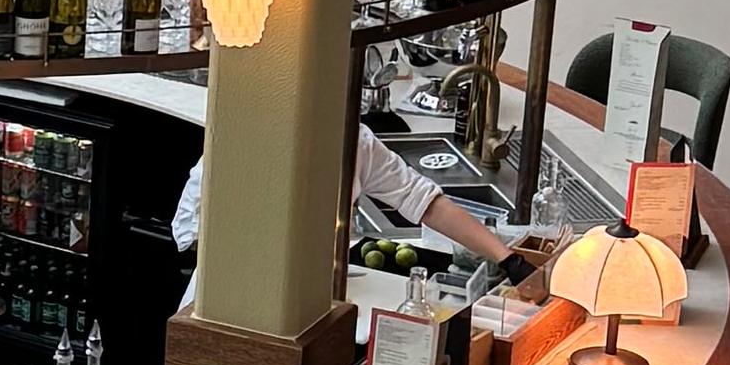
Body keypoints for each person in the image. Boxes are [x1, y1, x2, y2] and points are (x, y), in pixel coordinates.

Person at [170, 123, 506, 274]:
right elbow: (188, 229)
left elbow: (424, 201)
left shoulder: (351, 140)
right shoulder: (242, 137)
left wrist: (507, 259)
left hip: (315, 299)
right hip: (226, 302)